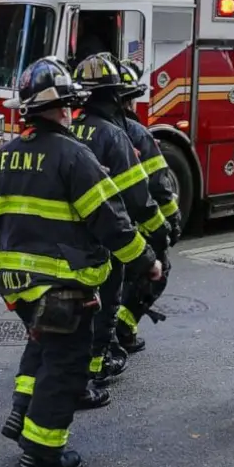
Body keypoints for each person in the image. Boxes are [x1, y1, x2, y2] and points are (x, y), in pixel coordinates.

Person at [0, 57, 161, 467]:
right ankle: (41, 454)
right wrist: (147, 262)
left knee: (40, 346)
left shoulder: (3, 156)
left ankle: (22, 414)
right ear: (64, 109)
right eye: (70, 106)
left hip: (16, 285)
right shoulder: (75, 156)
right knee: (66, 365)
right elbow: (112, 223)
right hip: (64, 284)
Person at [69, 53, 171, 388]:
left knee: (77, 305)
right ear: (116, 95)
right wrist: (160, 233)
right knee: (105, 299)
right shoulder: (115, 136)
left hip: (66, 240)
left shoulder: (67, 129)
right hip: (105, 238)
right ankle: (96, 368)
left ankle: (81, 359)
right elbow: (137, 197)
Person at [114, 60, 182, 354]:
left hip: (93, 230)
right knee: (157, 268)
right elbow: (158, 187)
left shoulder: (79, 131)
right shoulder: (135, 132)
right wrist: (170, 225)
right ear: (127, 98)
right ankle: (124, 328)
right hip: (130, 227)